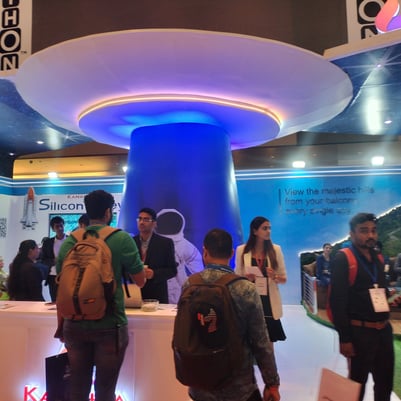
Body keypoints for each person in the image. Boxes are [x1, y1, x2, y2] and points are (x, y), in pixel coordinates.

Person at [56, 189, 146, 401]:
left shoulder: (70, 241)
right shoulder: (121, 238)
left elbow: (61, 282)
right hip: (110, 323)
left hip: (73, 322)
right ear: (108, 212)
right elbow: (140, 280)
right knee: (105, 389)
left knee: (77, 387)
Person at [184, 228, 280, 401]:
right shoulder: (245, 288)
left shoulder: (189, 285)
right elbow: (260, 341)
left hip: (200, 384)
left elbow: (186, 333)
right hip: (238, 386)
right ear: (231, 253)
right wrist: (272, 383)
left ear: (204, 251)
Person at [329, 212, 394, 401]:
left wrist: (390, 298)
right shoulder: (344, 259)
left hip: (383, 330)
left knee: (385, 384)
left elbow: (379, 290)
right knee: (356, 387)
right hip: (359, 333)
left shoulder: (378, 257)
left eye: (373, 230)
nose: (370, 235)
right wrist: (345, 338)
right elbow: (337, 301)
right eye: (364, 231)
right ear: (352, 234)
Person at [235, 216, 287, 342]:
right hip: (250, 300)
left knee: (270, 340)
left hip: (269, 301)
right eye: (264, 228)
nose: (268, 231)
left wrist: (274, 276)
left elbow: (284, 279)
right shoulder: (242, 250)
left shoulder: (276, 250)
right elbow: (236, 277)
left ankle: (269, 356)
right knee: (250, 339)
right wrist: (245, 278)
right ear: (254, 231)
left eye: (269, 228)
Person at [156, 208, 203, 303]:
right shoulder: (154, 244)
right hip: (158, 290)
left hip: (178, 292)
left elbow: (198, 271)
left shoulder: (185, 246)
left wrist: (186, 281)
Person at [133, 207, 177, 303]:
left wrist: (154, 274)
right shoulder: (131, 242)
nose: (141, 222)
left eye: (146, 219)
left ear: (154, 223)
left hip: (157, 296)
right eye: (139, 219)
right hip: (135, 293)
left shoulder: (165, 243)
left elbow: (172, 270)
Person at [40, 216, 67, 302]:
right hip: (53, 275)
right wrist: (53, 261)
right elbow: (42, 259)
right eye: (57, 226)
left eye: (61, 226)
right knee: (55, 300)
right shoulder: (48, 243)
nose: (60, 228)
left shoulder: (71, 240)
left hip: (68, 274)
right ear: (53, 229)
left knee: (68, 299)